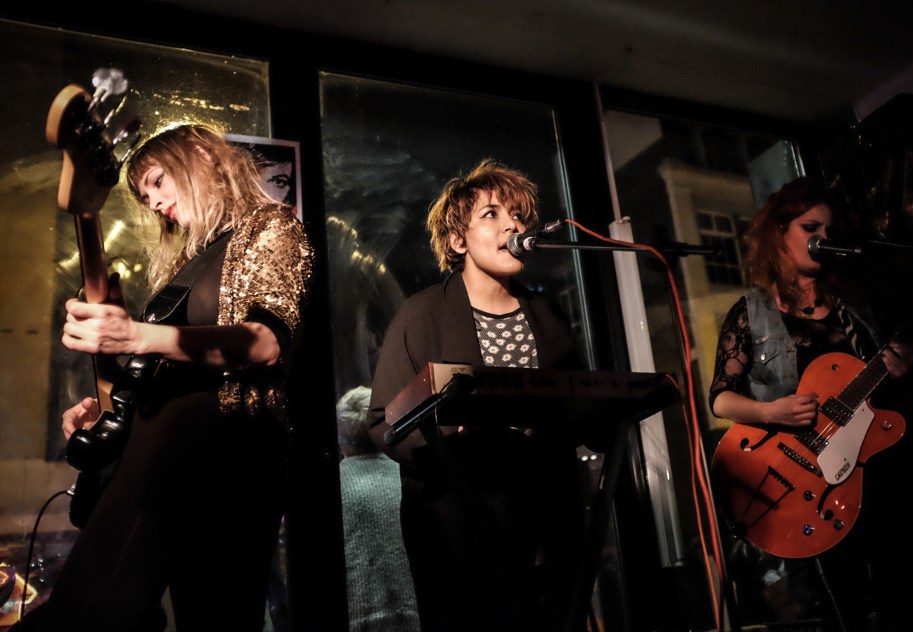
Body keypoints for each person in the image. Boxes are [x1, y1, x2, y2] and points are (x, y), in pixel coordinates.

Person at [13, 123, 314, 632]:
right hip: (161, 461)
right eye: (144, 195)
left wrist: (134, 334)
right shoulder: (187, 262)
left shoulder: (272, 227)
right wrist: (108, 409)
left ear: (200, 153)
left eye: (156, 181)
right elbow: (157, 370)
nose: (153, 202)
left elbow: (264, 343)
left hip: (229, 465)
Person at [366, 159, 587, 632]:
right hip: (458, 517)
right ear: (457, 241)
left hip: (541, 513)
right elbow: (384, 420)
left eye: (518, 216)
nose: (513, 225)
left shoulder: (547, 314)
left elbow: (577, 405)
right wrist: (452, 437)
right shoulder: (421, 314)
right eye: (492, 214)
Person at [708, 176, 913, 631]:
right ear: (779, 233)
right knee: (839, 609)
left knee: (904, 597)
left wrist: (902, 369)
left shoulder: (857, 305)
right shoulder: (751, 313)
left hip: (874, 473)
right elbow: (721, 399)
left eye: (830, 232)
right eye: (811, 228)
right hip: (806, 490)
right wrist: (770, 412)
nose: (823, 240)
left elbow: (882, 400)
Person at [336, 385, 421, 632]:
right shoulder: (410, 478)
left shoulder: (331, 488)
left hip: (357, 622)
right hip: (418, 617)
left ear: (341, 436)